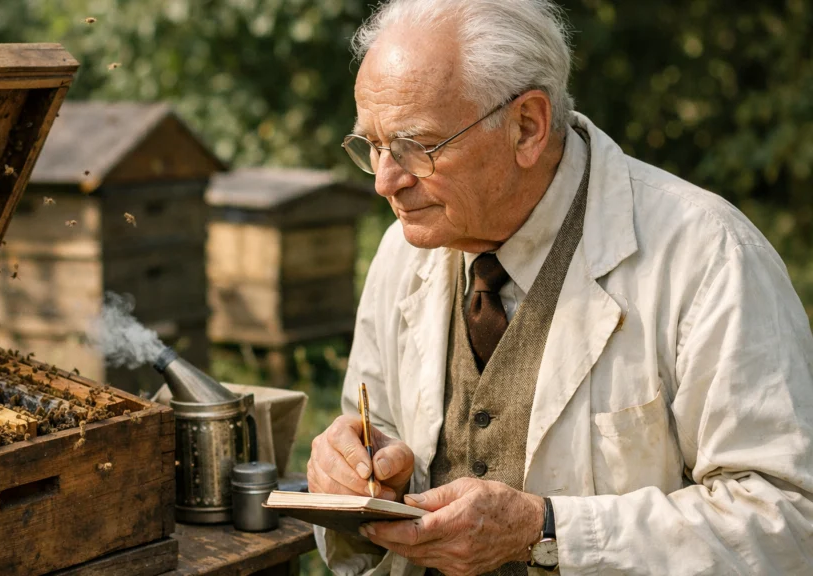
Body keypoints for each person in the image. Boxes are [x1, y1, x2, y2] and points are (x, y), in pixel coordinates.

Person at [306, 0, 813, 574]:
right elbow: (373, 440)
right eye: (372, 146)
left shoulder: (708, 256)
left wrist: (545, 530)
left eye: (414, 147)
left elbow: (788, 521)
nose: (384, 181)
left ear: (527, 126)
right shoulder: (403, 250)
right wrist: (356, 481)